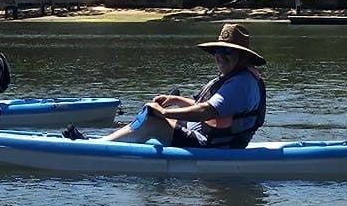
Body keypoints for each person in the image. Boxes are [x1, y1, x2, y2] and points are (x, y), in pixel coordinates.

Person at [102, 22, 266, 148]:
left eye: (228, 51)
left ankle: (101, 147)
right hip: (206, 136)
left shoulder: (241, 83)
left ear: (242, 55)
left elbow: (206, 111)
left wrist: (164, 112)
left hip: (214, 146)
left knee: (152, 122)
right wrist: (175, 100)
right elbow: (206, 105)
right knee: (155, 117)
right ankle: (104, 142)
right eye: (218, 50)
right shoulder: (235, 77)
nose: (220, 56)